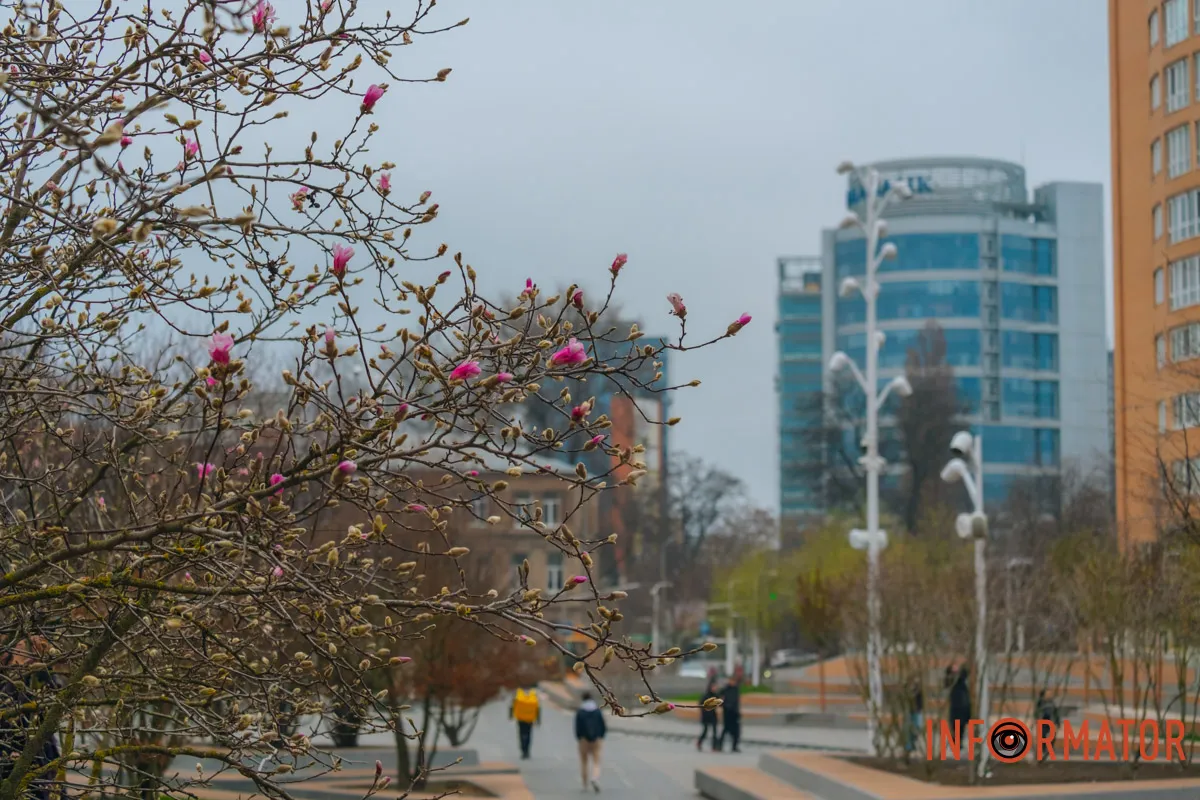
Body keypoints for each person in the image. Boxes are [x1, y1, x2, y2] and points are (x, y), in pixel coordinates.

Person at [0, 637, 59, 800]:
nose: (21, 648)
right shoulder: (5, 674)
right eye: (18, 645)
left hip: (36, 750)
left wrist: (39, 665)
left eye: (25, 646)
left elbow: (55, 697)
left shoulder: (39, 674)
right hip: (6, 746)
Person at [574, 692, 606, 793]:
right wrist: (601, 736)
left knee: (584, 762)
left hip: (583, 739)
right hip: (596, 739)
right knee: (596, 761)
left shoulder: (580, 712)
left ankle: (584, 783)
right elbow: (602, 725)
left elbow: (577, 727)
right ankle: (595, 778)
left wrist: (579, 738)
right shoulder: (597, 711)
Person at [509, 684, 540, 759]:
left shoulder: (518, 692)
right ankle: (527, 751)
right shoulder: (534, 693)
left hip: (520, 718)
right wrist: (538, 719)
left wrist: (510, 715)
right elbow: (538, 707)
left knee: (521, 734)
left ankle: (523, 750)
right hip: (530, 718)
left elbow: (512, 704)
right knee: (528, 734)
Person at [717, 675, 742, 753]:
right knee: (726, 729)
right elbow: (719, 697)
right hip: (727, 712)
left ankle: (734, 746)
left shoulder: (736, 689)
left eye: (734, 681)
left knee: (736, 732)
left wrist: (738, 711)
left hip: (734, 713)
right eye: (731, 681)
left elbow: (737, 702)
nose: (733, 682)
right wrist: (723, 704)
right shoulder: (725, 689)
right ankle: (720, 745)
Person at [948, 665, 971, 739]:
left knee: (959, 728)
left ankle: (957, 742)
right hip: (958, 709)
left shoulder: (961, 683)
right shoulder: (954, 683)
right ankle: (957, 742)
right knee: (957, 728)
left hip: (960, 710)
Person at [697, 678, 720, 752]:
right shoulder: (706, 696)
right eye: (713, 686)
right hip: (706, 716)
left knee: (715, 731)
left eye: (715, 687)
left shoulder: (716, 695)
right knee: (705, 731)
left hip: (713, 715)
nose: (715, 688)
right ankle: (699, 742)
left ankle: (714, 746)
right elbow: (701, 705)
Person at [906, 677, 924, 754]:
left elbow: (921, 702)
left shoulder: (920, 692)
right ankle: (909, 745)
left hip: (917, 712)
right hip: (912, 712)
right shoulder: (910, 691)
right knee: (911, 728)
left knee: (917, 727)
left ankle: (912, 743)